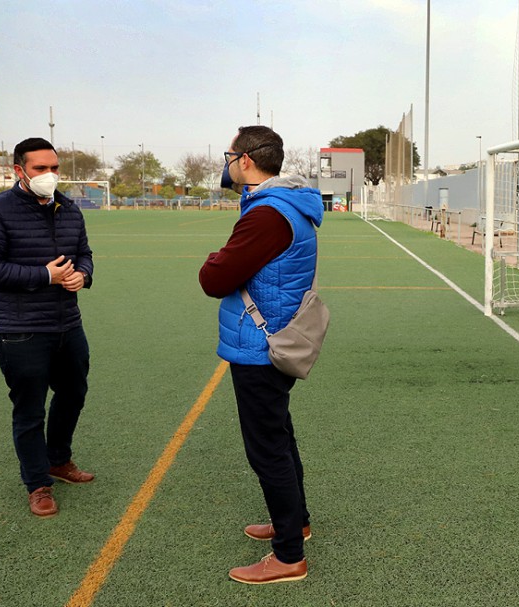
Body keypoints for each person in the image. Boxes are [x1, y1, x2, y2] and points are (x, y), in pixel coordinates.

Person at [198, 125, 324, 584]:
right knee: (280, 439)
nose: (226, 163)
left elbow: (214, 279)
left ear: (246, 160)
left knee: (268, 450)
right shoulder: (288, 205)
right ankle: (297, 523)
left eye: (229, 154)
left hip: (259, 347)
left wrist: (214, 260)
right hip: (274, 340)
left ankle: (288, 556)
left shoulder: (267, 214)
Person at [0, 137, 96, 519]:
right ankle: (37, 483)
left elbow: (84, 255)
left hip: (68, 326)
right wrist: (45, 276)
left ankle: (59, 460)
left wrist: (82, 277)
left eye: (54, 167)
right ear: (19, 171)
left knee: (73, 394)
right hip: (20, 329)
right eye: (40, 168)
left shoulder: (69, 208)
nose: (50, 175)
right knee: (29, 410)